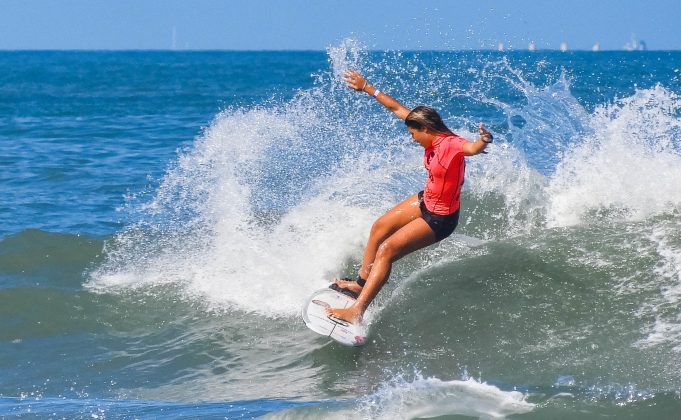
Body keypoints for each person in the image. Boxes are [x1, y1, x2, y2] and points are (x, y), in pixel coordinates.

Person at [326, 69, 493, 324]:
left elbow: (470, 148)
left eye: (413, 133)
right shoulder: (427, 132)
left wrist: (483, 141)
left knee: (387, 250)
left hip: (440, 218)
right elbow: (397, 108)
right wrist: (367, 87)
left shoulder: (451, 144)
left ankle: (356, 311)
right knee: (380, 227)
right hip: (425, 200)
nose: (412, 138)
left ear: (425, 129)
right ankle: (361, 284)